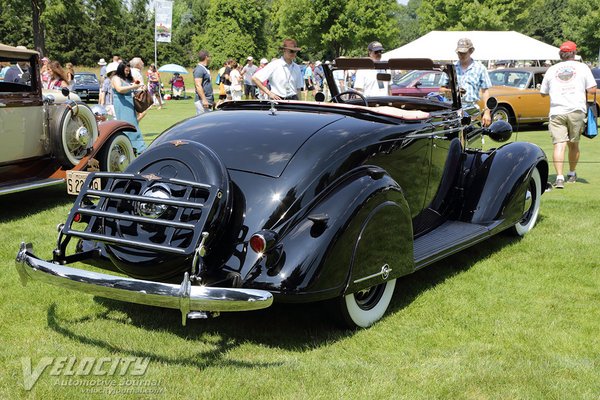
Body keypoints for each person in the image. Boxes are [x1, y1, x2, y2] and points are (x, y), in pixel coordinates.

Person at [540, 41, 597, 188]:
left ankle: (559, 178)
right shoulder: (582, 67)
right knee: (574, 144)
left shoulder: (552, 69)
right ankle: (571, 173)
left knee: (559, 145)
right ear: (574, 53)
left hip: (557, 111)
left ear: (561, 53)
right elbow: (591, 89)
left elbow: (543, 93)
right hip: (576, 110)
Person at [454, 38, 492, 126]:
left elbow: (485, 91)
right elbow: (441, 89)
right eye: (459, 53)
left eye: (464, 53)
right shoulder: (452, 68)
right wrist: (450, 91)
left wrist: (487, 113)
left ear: (471, 51)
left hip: (472, 110)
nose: (461, 55)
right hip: (453, 111)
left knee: (471, 136)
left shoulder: (480, 68)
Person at [111, 62, 146, 154]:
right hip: (121, 103)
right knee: (125, 124)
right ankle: (127, 146)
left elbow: (136, 85)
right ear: (121, 69)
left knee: (133, 124)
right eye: (126, 70)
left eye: (128, 71)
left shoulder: (127, 79)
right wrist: (132, 86)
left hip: (129, 102)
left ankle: (139, 147)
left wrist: (140, 86)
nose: (127, 72)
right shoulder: (116, 78)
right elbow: (119, 89)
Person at [193, 50, 214, 114]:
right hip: (202, 101)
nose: (210, 59)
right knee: (204, 123)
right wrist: (204, 100)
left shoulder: (204, 68)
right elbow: (198, 85)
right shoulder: (199, 69)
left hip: (208, 100)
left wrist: (212, 101)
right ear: (206, 57)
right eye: (209, 57)